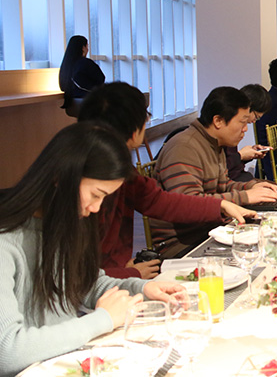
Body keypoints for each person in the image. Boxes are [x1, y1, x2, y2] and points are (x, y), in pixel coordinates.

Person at [0, 122, 184, 375]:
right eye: (96, 194)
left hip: (64, 363)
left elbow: (86, 284)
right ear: (60, 177)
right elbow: (8, 351)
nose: (96, 208)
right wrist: (103, 319)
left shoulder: (58, 222)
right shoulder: (6, 242)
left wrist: (142, 289)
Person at [78, 82, 257, 278]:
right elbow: (77, 269)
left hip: (108, 275)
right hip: (104, 280)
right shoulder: (184, 147)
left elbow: (157, 200)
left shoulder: (110, 163)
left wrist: (223, 203)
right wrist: (125, 273)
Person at [155, 87, 277, 250]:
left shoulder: (214, 144)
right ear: (218, 121)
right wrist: (245, 196)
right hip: (184, 243)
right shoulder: (184, 147)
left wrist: (252, 187)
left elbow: (223, 185)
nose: (245, 129)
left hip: (210, 229)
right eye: (243, 122)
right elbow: (188, 204)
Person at [225, 83, 272, 182]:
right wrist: (241, 155)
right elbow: (221, 168)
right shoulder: (226, 129)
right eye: (256, 117)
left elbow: (231, 164)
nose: (245, 129)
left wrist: (248, 154)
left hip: (238, 178)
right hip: (232, 182)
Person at [58, 35, 105, 117]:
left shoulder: (66, 66)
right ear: (83, 48)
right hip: (88, 103)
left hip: (71, 104)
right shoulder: (85, 63)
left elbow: (63, 87)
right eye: (87, 46)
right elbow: (101, 79)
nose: (88, 49)